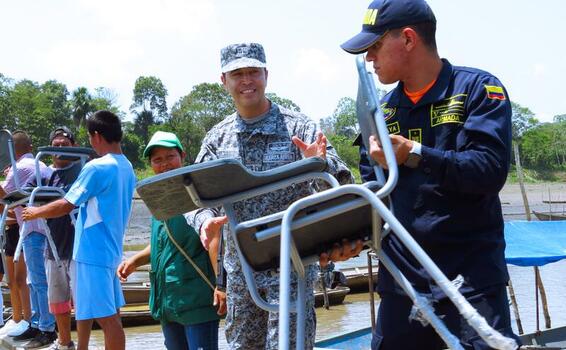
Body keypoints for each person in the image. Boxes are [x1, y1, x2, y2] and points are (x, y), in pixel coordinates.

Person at [328, 0, 522, 349]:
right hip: (402, 285)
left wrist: (416, 154)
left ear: (407, 39)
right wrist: (344, 237)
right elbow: (374, 197)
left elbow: (489, 171)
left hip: (472, 282)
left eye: (374, 46)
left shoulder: (477, 90)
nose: (369, 59)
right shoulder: (380, 113)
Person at [187, 42, 353, 350]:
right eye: (238, 74)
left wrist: (320, 163)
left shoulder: (299, 127)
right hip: (240, 277)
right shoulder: (216, 139)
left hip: (293, 268)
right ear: (224, 81)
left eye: (253, 72)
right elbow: (193, 199)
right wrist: (204, 222)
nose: (246, 81)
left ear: (266, 75)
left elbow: (341, 185)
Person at [22, 111, 136, 350]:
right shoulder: (127, 166)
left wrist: (35, 212)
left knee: (108, 320)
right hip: (110, 250)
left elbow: (66, 204)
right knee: (95, 310)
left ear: (96, 136)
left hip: (92, 252)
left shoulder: (97, 167)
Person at [117, 131, 224, 350]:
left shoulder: (197, 195)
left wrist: (222, 285)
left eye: (170, 157)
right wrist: (135, 260)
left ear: (182, 156)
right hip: (167, 300)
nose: (164, 164)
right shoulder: (158, 200)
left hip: (196, 298)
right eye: (157, 160)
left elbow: (214, 237)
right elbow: (161, 244)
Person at [0, 131, 57, 345]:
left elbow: (5, 201)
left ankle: (45, 328)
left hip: (33, 228)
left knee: (38, 281)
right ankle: (36, 323)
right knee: (35, 280)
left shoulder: (20, 168)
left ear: (12, 150)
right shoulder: (40, 165)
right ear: (30, 146)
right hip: (41, 227)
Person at [36, 127, 81, 350]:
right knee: (57, 300)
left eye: (65, 144)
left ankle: (84, 344)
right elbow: (29, 198)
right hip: (53, 245)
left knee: (84, 300)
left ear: (74, 146)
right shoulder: (44, 174)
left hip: (80, 246)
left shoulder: (83, 170)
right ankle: (64, 343)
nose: (60, 148)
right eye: (56, 145)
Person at [0, 210, 33, 338]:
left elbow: (20, 213)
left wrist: (3, 206)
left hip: (21, 229)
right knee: (10, 280)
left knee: (20, 280)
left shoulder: (19, 189)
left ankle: (28, 320)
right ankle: (16, 319)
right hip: (8, 230)